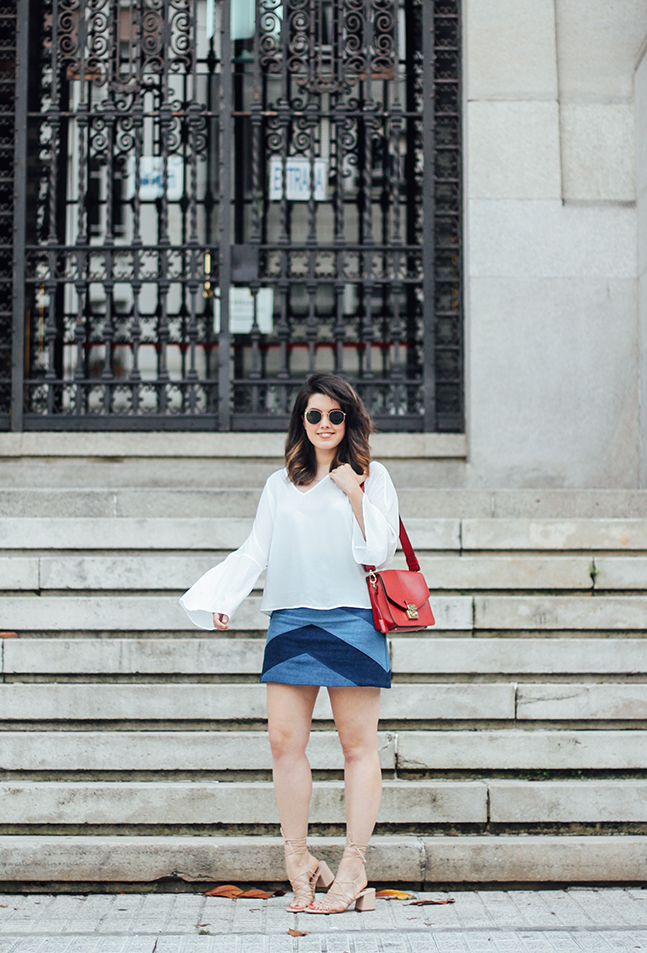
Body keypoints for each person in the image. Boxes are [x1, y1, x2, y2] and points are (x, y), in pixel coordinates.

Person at [180, 372, 399, 914]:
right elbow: (257, 549)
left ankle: (352, 864)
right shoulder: (280, 483)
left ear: (349, 420)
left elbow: (379, 554)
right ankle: (298, 860)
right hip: (292, 619)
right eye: (314, 416)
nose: (324, 425)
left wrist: (353, 493)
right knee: (284, 743)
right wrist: (223, 597)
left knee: (357, 747)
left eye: (334, 416)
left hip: (353, 621)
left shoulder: (374, 478)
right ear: (302, 422)